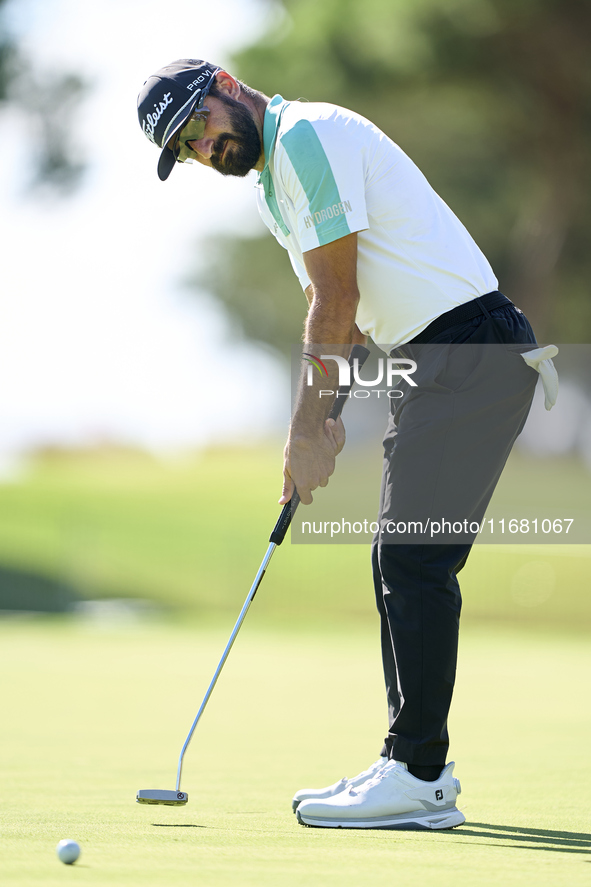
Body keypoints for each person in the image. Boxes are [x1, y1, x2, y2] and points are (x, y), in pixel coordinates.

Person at [137, 59, 551, 830]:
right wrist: (328, 419)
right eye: (185, 149)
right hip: (437, 359)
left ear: (228, 85)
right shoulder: (274, 184)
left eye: (198, 127)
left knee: (410, 556)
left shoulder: (306, 139)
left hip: (467, 348)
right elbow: (350, 324)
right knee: (401, 554)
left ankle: (420, 775)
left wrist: (299, 432)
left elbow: (335, 300)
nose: (202, 150)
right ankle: (411, 763)